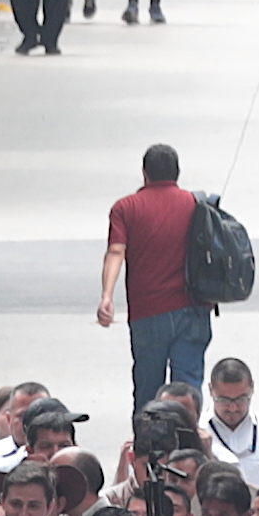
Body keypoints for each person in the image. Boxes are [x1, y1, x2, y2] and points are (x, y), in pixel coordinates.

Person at [99, 143, 209, 406]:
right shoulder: (196, 204)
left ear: (144, 173)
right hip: (193, 309)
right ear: (177, 173)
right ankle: (186, 441)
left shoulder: (126, 208)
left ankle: (147, 443)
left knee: (148, 392)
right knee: (187, 391)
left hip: (148, 313)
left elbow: (116, 251)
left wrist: (107, 296)